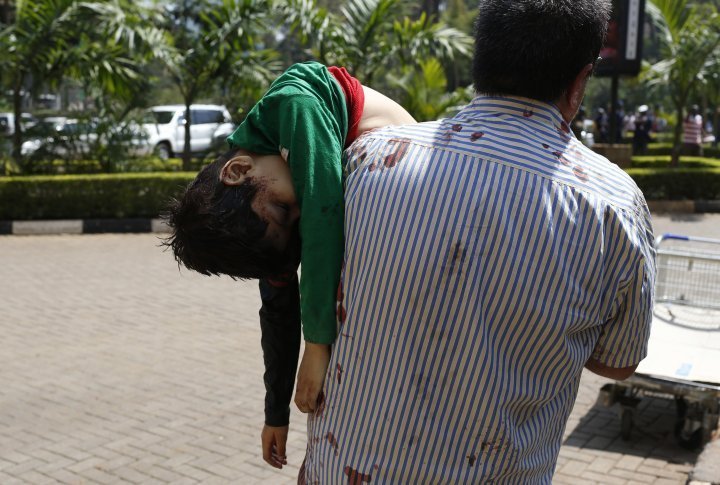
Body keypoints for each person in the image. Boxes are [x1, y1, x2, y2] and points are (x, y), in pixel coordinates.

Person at [293, 0, 654, 482]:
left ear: (478, 63)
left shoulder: (368, 159)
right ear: (580, 81)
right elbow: (618, 362)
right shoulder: (615, 208)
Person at [164, 61, 415, 469]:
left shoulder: (296, 105)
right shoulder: (270, 196)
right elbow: (277, 311)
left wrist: (317, 345)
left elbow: (322, 215)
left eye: (282, 209)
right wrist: (275, 413)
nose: (295, 216)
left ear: (239, 170)